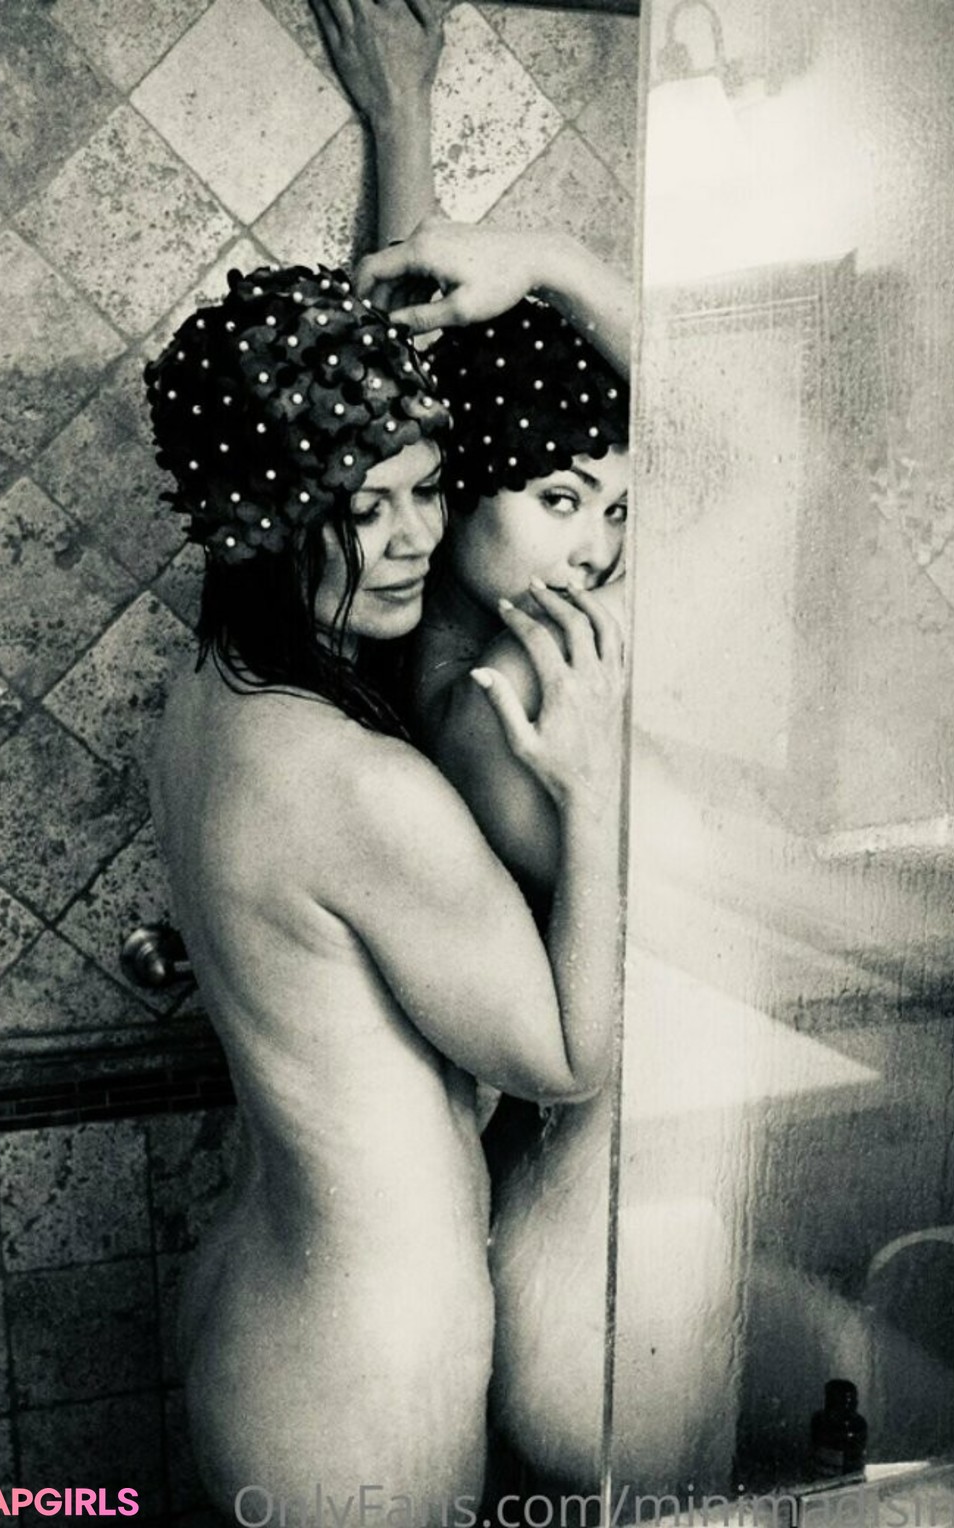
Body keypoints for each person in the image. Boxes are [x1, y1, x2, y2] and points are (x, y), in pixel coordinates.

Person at [144, 264, 625, 1514]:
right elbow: (569, 1058)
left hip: (267, 1304)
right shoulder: (360, 787)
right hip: (357, 1379)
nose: (416, 536)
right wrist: (592, 791)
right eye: (366, 507)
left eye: (430, 487)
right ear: (262, 518)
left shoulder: (206, 702)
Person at [311, 0, 634, 1494]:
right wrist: (555, 261)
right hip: (600, 1272)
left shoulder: (415, 648)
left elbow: (400, 379)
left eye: (615, 508)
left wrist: (405, 132)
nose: (603, 547)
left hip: (559, 1248)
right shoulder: (502, 712)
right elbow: (744, 431)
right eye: (563, 501)